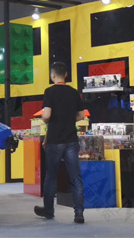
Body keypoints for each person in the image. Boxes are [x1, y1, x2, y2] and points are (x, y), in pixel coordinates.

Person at [34, 62, 85, 224]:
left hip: (55, 140)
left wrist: (44, 119)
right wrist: (68, 120)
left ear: (53, 75)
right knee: (75, 177)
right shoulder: (74, 92)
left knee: (51, 177)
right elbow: (81, 116)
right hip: (71, 140)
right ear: (66, 75)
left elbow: (47, 115)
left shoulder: (49, 92)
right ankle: (79, 213)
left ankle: (49, 211)